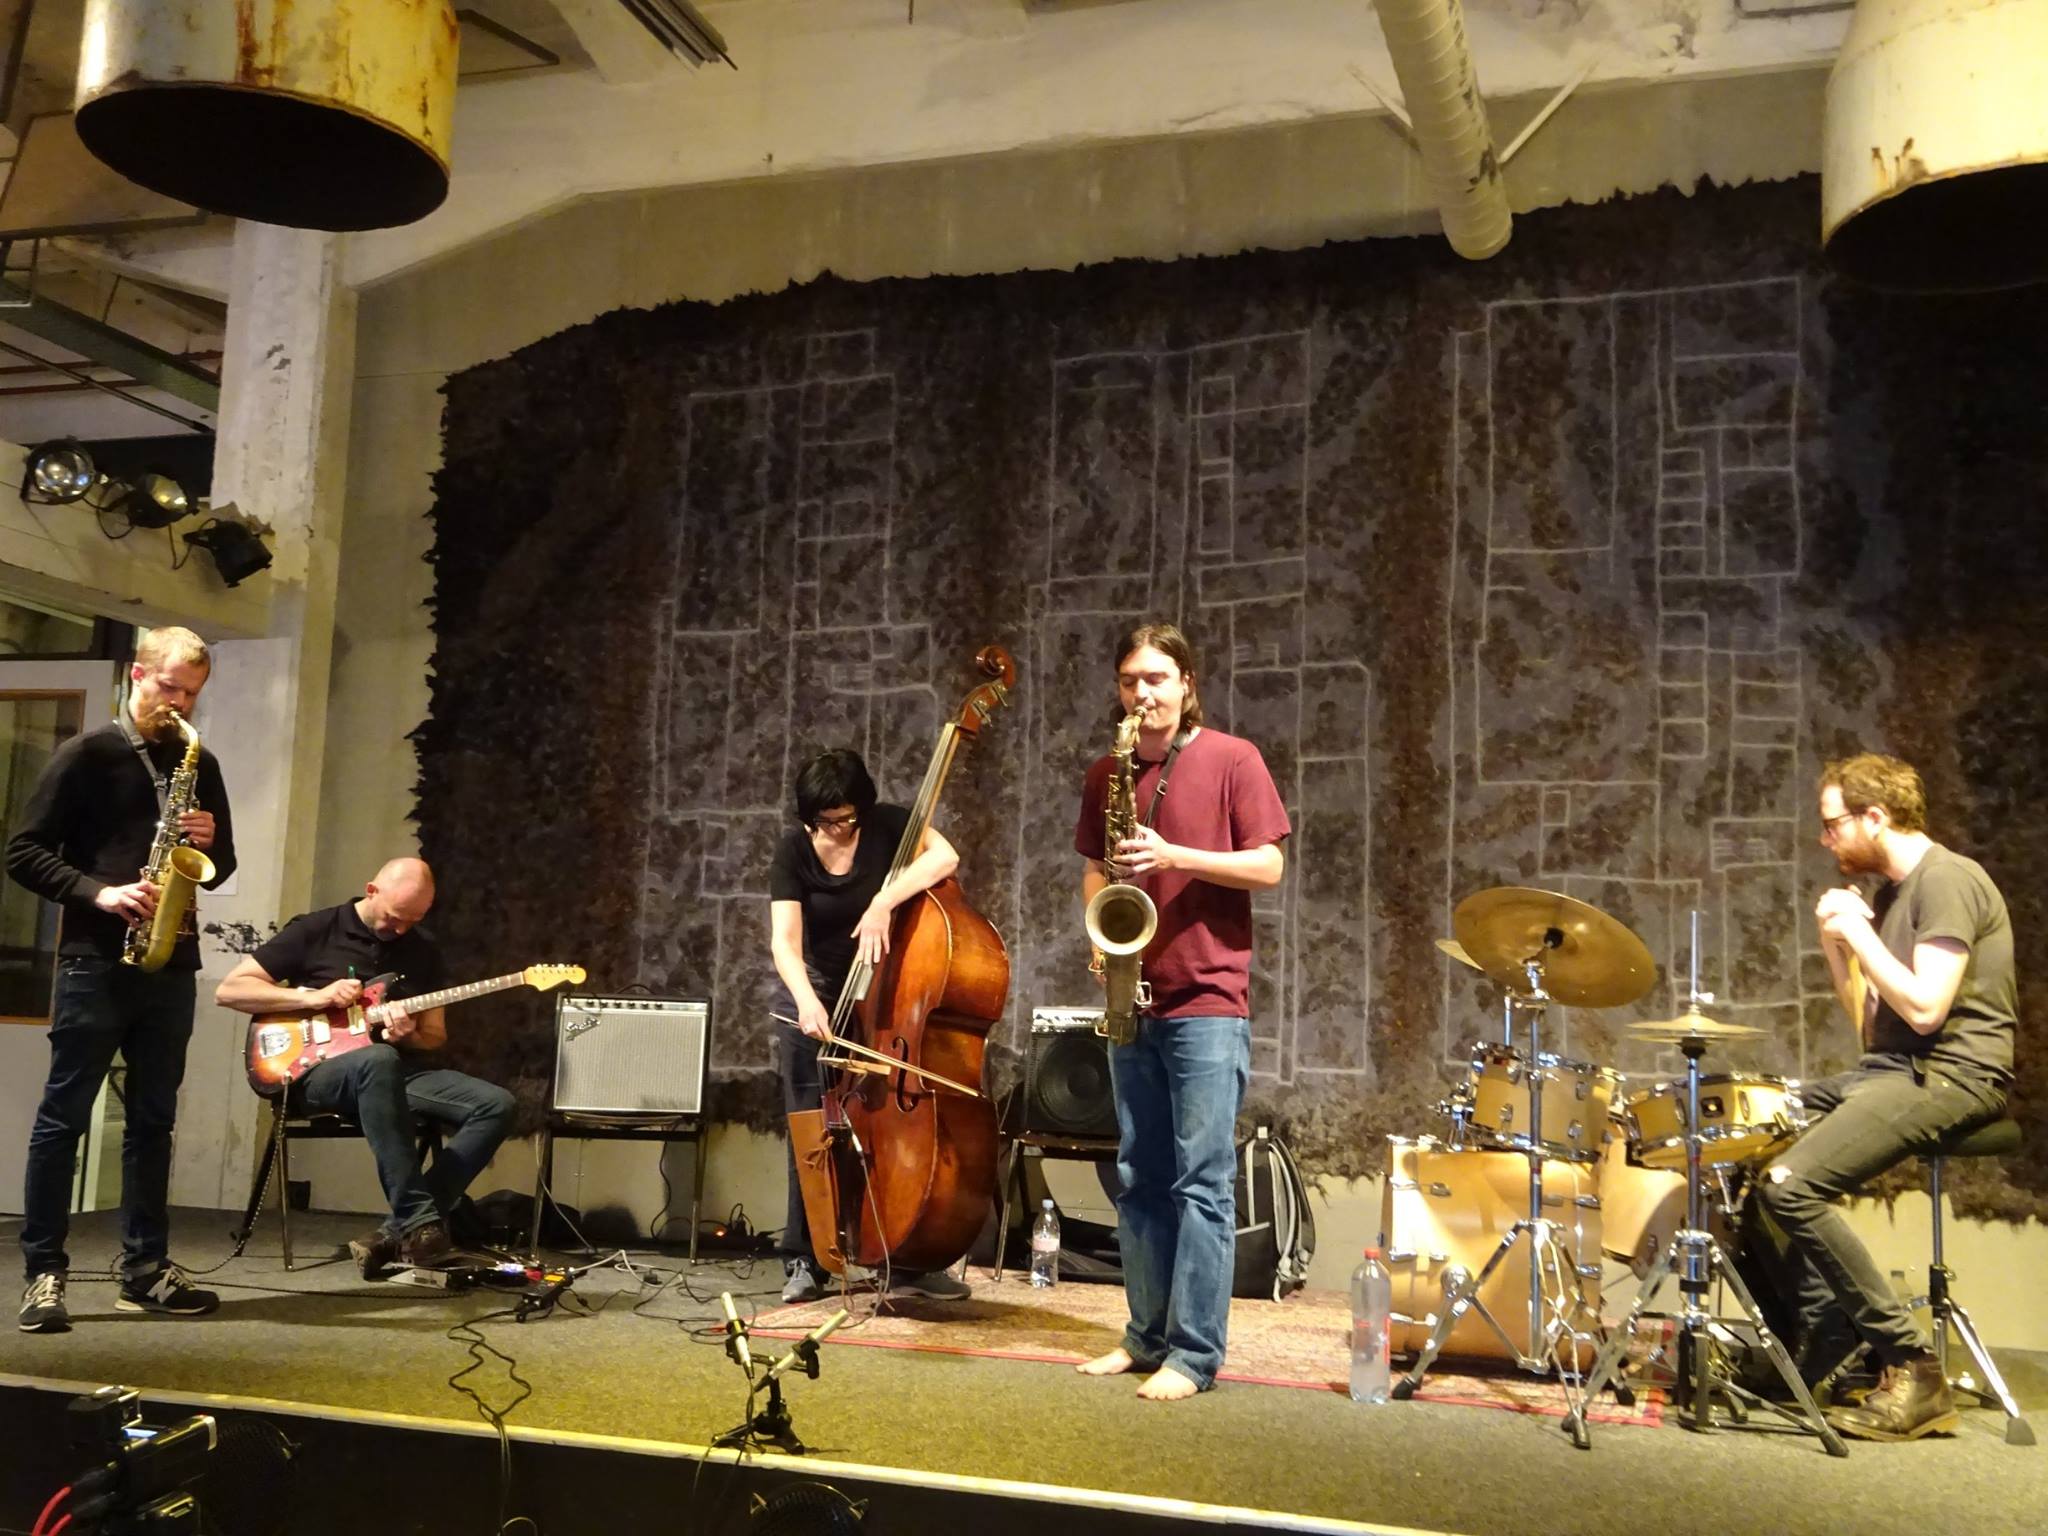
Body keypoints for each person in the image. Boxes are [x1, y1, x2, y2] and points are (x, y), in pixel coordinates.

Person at [1744, 753, 2014, 1440]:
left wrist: (1860, 931)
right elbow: (1873, 1027)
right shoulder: (1893, 895)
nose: (1825, 839)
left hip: (1953, 1074)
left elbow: (1925, 1010)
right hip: (1891, 1068)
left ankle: (1912, 1364)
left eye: (1833, 824)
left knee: (1790, 1184)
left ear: (1874, 817)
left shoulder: (1947, 880)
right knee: (1746, 1145)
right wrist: (1838, 946)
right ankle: (1820, 1330)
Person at [1072, 622, 1290, 1400]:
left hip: (1207, 999)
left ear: (1188, 684)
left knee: (1201, 1182)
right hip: (1132, 992)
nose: (1144, 693)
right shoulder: (1108, 772)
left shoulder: (1234, 758)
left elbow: (1268, 864)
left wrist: (1175, 856)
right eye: (1131, 680)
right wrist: (1100, 934)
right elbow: (1095, 868)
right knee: (1138, 1176)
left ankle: (1194, 1356)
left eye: (1158, 678)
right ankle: (1144, 1336)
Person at [7, 626, 237, 1332]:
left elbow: (221, 868)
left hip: (171, 962)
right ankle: (44, 1273)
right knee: (64, 1119)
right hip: (96, 960)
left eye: (192, 694)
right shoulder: (86, 755)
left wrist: (211, 843)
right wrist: (99, 893)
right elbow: (23, 852)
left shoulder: (198, 761)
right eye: (170, 687)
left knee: (153, 1122)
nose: (180, 704)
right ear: (138, 674)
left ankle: (145, 1269)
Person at [214, 858, 515, 1277]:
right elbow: (230, 990)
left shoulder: (425, 951)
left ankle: (397, 1232)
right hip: (313, 1072)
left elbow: (434, 1036)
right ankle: (420, 1223)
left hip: (391, 1069)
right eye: (394, 917)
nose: (401, 929)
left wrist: (407, 1034)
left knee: (496, 1104)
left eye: (413, 920)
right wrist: (312, 998)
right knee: (378, 1059)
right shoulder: (317, 929)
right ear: (371, 891)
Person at [768, 747, 972, 1305]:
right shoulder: (792, 851)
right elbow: (784, 942)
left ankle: (903, 1257)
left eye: (847, 818)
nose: (838, 828)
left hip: (884, 997)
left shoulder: (887, 825)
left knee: (886, 1130)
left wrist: (885, 899)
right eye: (826, 820)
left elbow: (945, 857)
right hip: (819, 992)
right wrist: (807, 1003)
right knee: (811, 1132)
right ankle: (804, 1258)